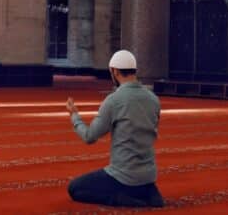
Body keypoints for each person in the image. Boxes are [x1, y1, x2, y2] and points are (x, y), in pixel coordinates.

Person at [65, 50, 164, 207]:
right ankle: (148, 194)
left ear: (115, 71)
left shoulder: (114, 100)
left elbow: (89, 136)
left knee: (74, 188)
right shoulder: (154, 99)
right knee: (139, 183)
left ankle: (120, 198)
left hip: (123, 176)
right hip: (148, 176)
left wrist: (75, 116)